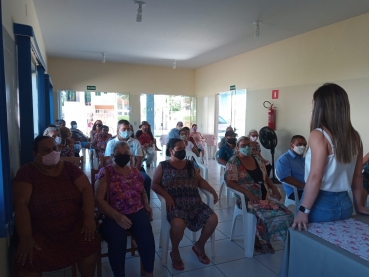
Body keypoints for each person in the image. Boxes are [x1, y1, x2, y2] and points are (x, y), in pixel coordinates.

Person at [13, 136, 99, 277]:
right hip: (41, 230)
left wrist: (89, 217)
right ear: (36, 155)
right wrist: (25, 237)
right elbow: (21, 204)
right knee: (27, 259)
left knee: (88, 246)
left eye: (54, 149)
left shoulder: (69, 168)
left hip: (74, 226)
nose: (52, 153)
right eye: (46, 150)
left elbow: (86, 189)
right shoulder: (27, 173)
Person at [292, 83, 369, 231]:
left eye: (313, 102)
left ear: (321, 106)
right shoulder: (354, 136)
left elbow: (315, 177)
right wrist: (359, 205)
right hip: (345, 205)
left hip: (319, 205)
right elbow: (357, 176)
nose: (311, 107)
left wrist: (303, 211)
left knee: (309, 250)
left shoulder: (319, 134)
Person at [152, 138, 218, 270]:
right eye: (179, 149)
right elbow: (154, 184)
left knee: (213, 219)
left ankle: (199, 245)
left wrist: (211, 190)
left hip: (195, 203)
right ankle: (175, 251)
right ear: (171, 151)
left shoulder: (190, 164)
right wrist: (167, 196)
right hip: (175, 205)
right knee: (177, 225)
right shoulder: (163, 166)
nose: (183, 151)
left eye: (184, 148)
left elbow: (199, 180)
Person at [95, 141, 155, 277]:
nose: (122, 156)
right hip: (113, 213)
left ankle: (149, 271)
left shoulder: (134, 171)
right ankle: (119, 274)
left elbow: (142, 191)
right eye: (119, 154)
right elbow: (98, 199)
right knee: (117, 240)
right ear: (112, 155)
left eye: (125, 154)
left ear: (130, 155)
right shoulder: (106, 172)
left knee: (147, 237)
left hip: (137, 210)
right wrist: (117, 216)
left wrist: (146, 203)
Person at [225, 136, 293, 254]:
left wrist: (273, 188)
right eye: (243, 146)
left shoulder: (257, 159)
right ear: (237, 148)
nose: (246, 147)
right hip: (247, 199)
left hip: (265, 196)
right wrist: (247, 192)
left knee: (287, 213)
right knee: (262, 215)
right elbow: (229, 181)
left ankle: (269, 238)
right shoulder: (233, 161)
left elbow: (265, 177)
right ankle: (257, 239)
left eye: (248, 145)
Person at [104, 120, 152, 202]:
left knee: (146, 179)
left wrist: (134, 172)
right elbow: (108, 160)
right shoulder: (111, 143)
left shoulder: (135, 142)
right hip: (116, 170)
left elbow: (139, 160)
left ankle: (145, 204)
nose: (126, 131)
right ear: (118, 130)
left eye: (128, 129)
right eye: (123, 129)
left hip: (135, 169)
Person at [276, 135, 307, 201]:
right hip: (296, 191)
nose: (303, 147)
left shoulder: (303, 158)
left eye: (304, 145)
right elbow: (286, 178)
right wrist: (305, 186)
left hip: (307, 187)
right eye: (299, 144)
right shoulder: (284, 159)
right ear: (291, 145)